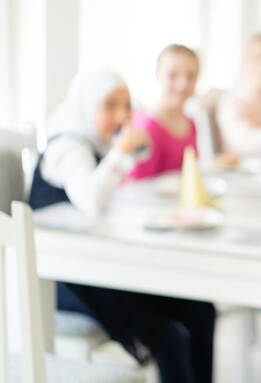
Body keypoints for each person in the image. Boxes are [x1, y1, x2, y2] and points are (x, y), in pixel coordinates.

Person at [29, 69, 216, 383]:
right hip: (67, 278)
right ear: (86, 106)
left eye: (127, 106)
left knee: (200, 310)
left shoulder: (98, 147)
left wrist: (125, 152)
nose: (121, 115)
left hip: (100, 265)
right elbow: (91, 198)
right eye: (110, 106)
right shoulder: (67, 147)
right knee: (168, 336)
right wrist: (122, 152)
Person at [128, 44, 200, 179]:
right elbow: (137, 184)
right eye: (173, 75)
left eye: (191, 76)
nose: (182, 84)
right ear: (158, 74)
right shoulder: (146, 127)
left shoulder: (191, 123)